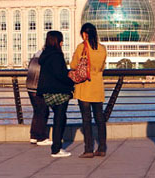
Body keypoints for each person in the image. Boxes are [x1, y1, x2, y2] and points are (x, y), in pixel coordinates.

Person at [70, 22, 107, 158]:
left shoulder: (82, 47)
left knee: (86, 119)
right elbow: (102, 67)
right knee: (100, 119)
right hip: (97, 86)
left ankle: (88, 149)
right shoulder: (102, 49)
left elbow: (73, 64)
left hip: (84, 87)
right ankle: (102, 148)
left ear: (84, 34)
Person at [37, 30, 75, 158]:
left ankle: (56, 147)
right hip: (59, 91)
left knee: (60, 118)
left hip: (47, 92)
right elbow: (60, 74)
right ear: (58, 41)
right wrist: (71, 83)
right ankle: (56, 149)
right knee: (60, 119)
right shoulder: (57, 55)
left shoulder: (45, 55)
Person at [25, 47, 50, 145]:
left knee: (37, 111)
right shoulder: (45, 57)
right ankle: (41, 137)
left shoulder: (35, 56)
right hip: (38, 87)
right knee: (43, 111)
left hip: (30, 86)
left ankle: (34, 135)